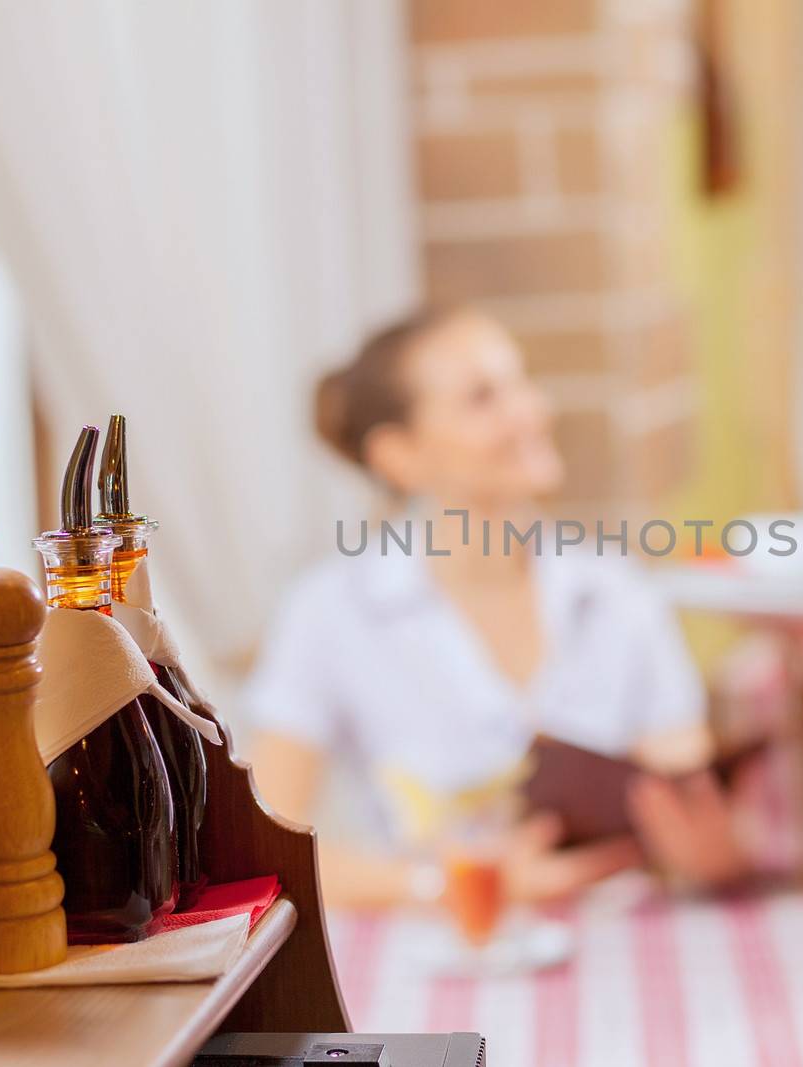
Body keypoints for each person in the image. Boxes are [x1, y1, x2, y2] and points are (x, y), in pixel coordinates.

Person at [242, 306, 744, 910]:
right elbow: (264, 849)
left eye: (521, 383)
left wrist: (709, 854)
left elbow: (691, 798)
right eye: (483, 398)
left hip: (622, 951)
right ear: (399, 456)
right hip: (440, 963)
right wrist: (457, 886)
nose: (532, 412)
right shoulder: (328, 612)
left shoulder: (618, 594)